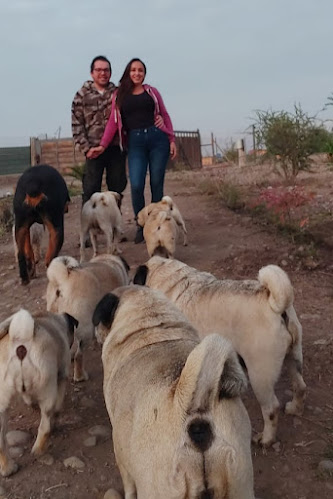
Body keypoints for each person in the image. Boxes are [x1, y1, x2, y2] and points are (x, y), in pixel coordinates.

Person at [90, 58, 177, 243]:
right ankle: (142, 225)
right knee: (136, 185)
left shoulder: (152, 92)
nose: (137, 73)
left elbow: (164, 114)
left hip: (157, 140)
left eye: (141, 70)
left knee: (156, 183)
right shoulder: (119, 95)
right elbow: (113, 123)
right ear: (128, 73)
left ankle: (157, 224)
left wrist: (171, 139)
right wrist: (103, 145)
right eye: (134, 70)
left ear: (144, 73)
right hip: (135, 142)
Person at [71, 55, 127, 205]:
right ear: (92, 73)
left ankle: (114, 224)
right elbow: (77, 124)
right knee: (90, 190)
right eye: (99, 70)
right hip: (93, 149)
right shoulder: (81, 95)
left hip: (115, 148)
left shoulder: (117, 93)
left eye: (106, 70)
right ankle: (88, 226)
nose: (103, 73)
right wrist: (86, 149)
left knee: (116, 189)